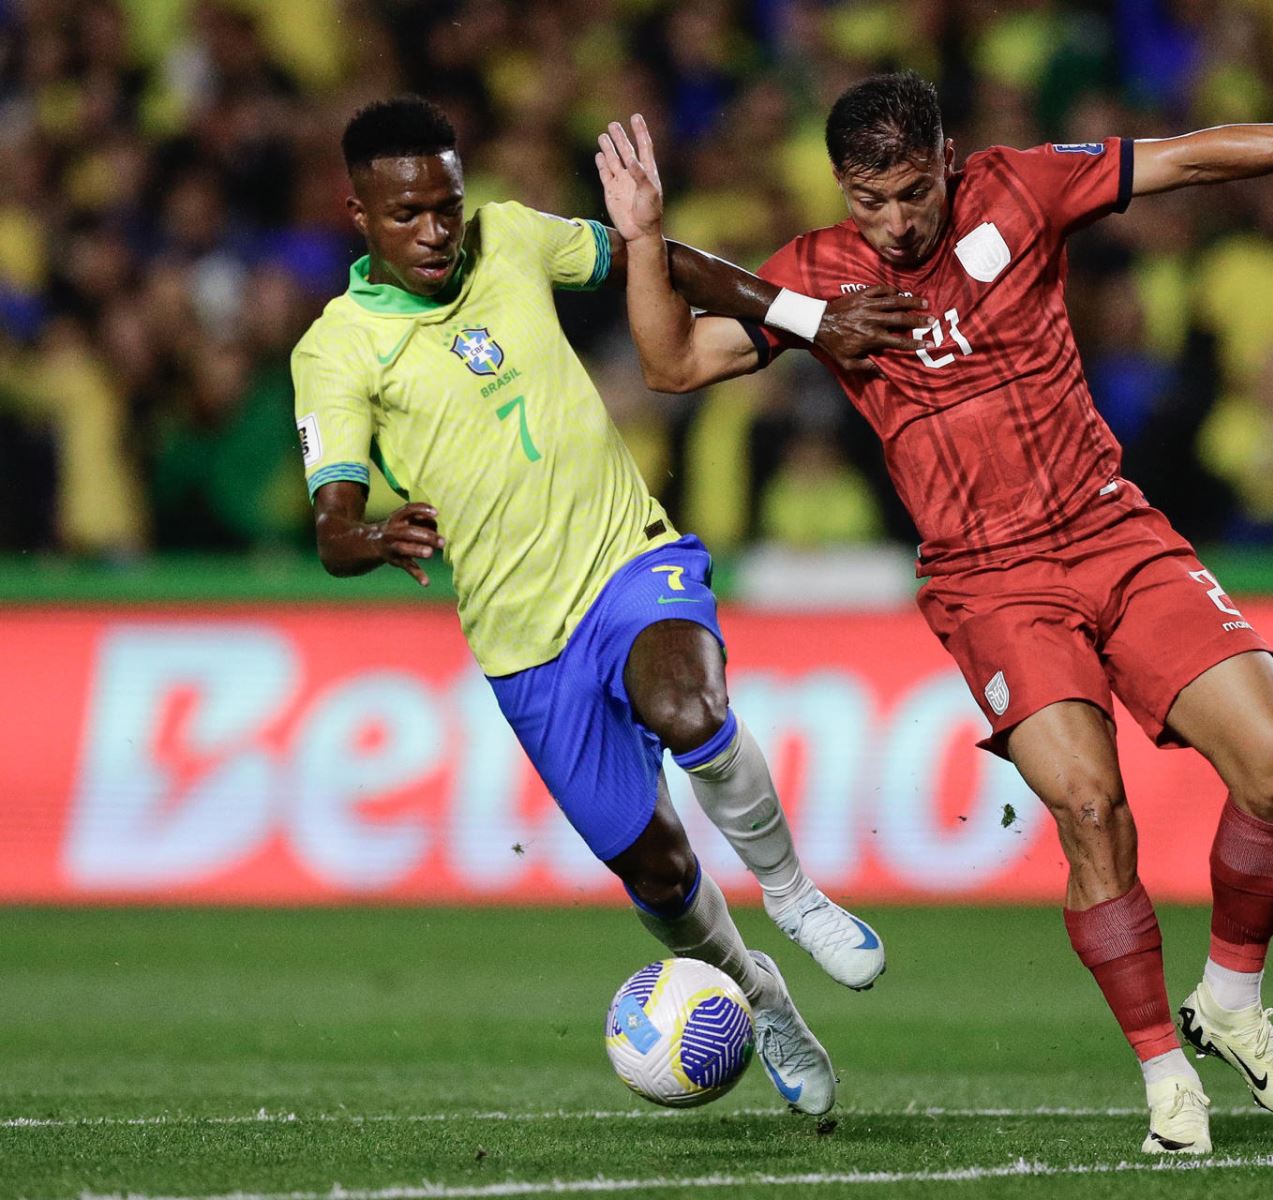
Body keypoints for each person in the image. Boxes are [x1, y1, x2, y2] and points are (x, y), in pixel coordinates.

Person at [597, 64, 1273, 1154]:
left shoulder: (1021, 190)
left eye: (914, 191)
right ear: (838, 189)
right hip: (990, 579)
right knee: (1092, 807)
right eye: (870, 201)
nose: (898, 222)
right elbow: (672, 363)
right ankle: (1164, 1077)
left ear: (948, 160)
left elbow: (1190, 154)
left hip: (1112, 530)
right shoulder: (815, 281)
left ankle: (1232, 1001)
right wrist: (643, 239)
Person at [292, 96, 923, 1116]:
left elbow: (662, 261)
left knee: (691, 709)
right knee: (662, 875)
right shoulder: (337, 350)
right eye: (407, 213)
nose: (436, 231)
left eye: (445, 206)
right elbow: (332, 527)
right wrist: (371, 535)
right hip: (524, 650)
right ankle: (762, 1000)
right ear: (357, 212)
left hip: (629, 562)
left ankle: (797, 896)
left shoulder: (509, 236)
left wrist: (799, 317)